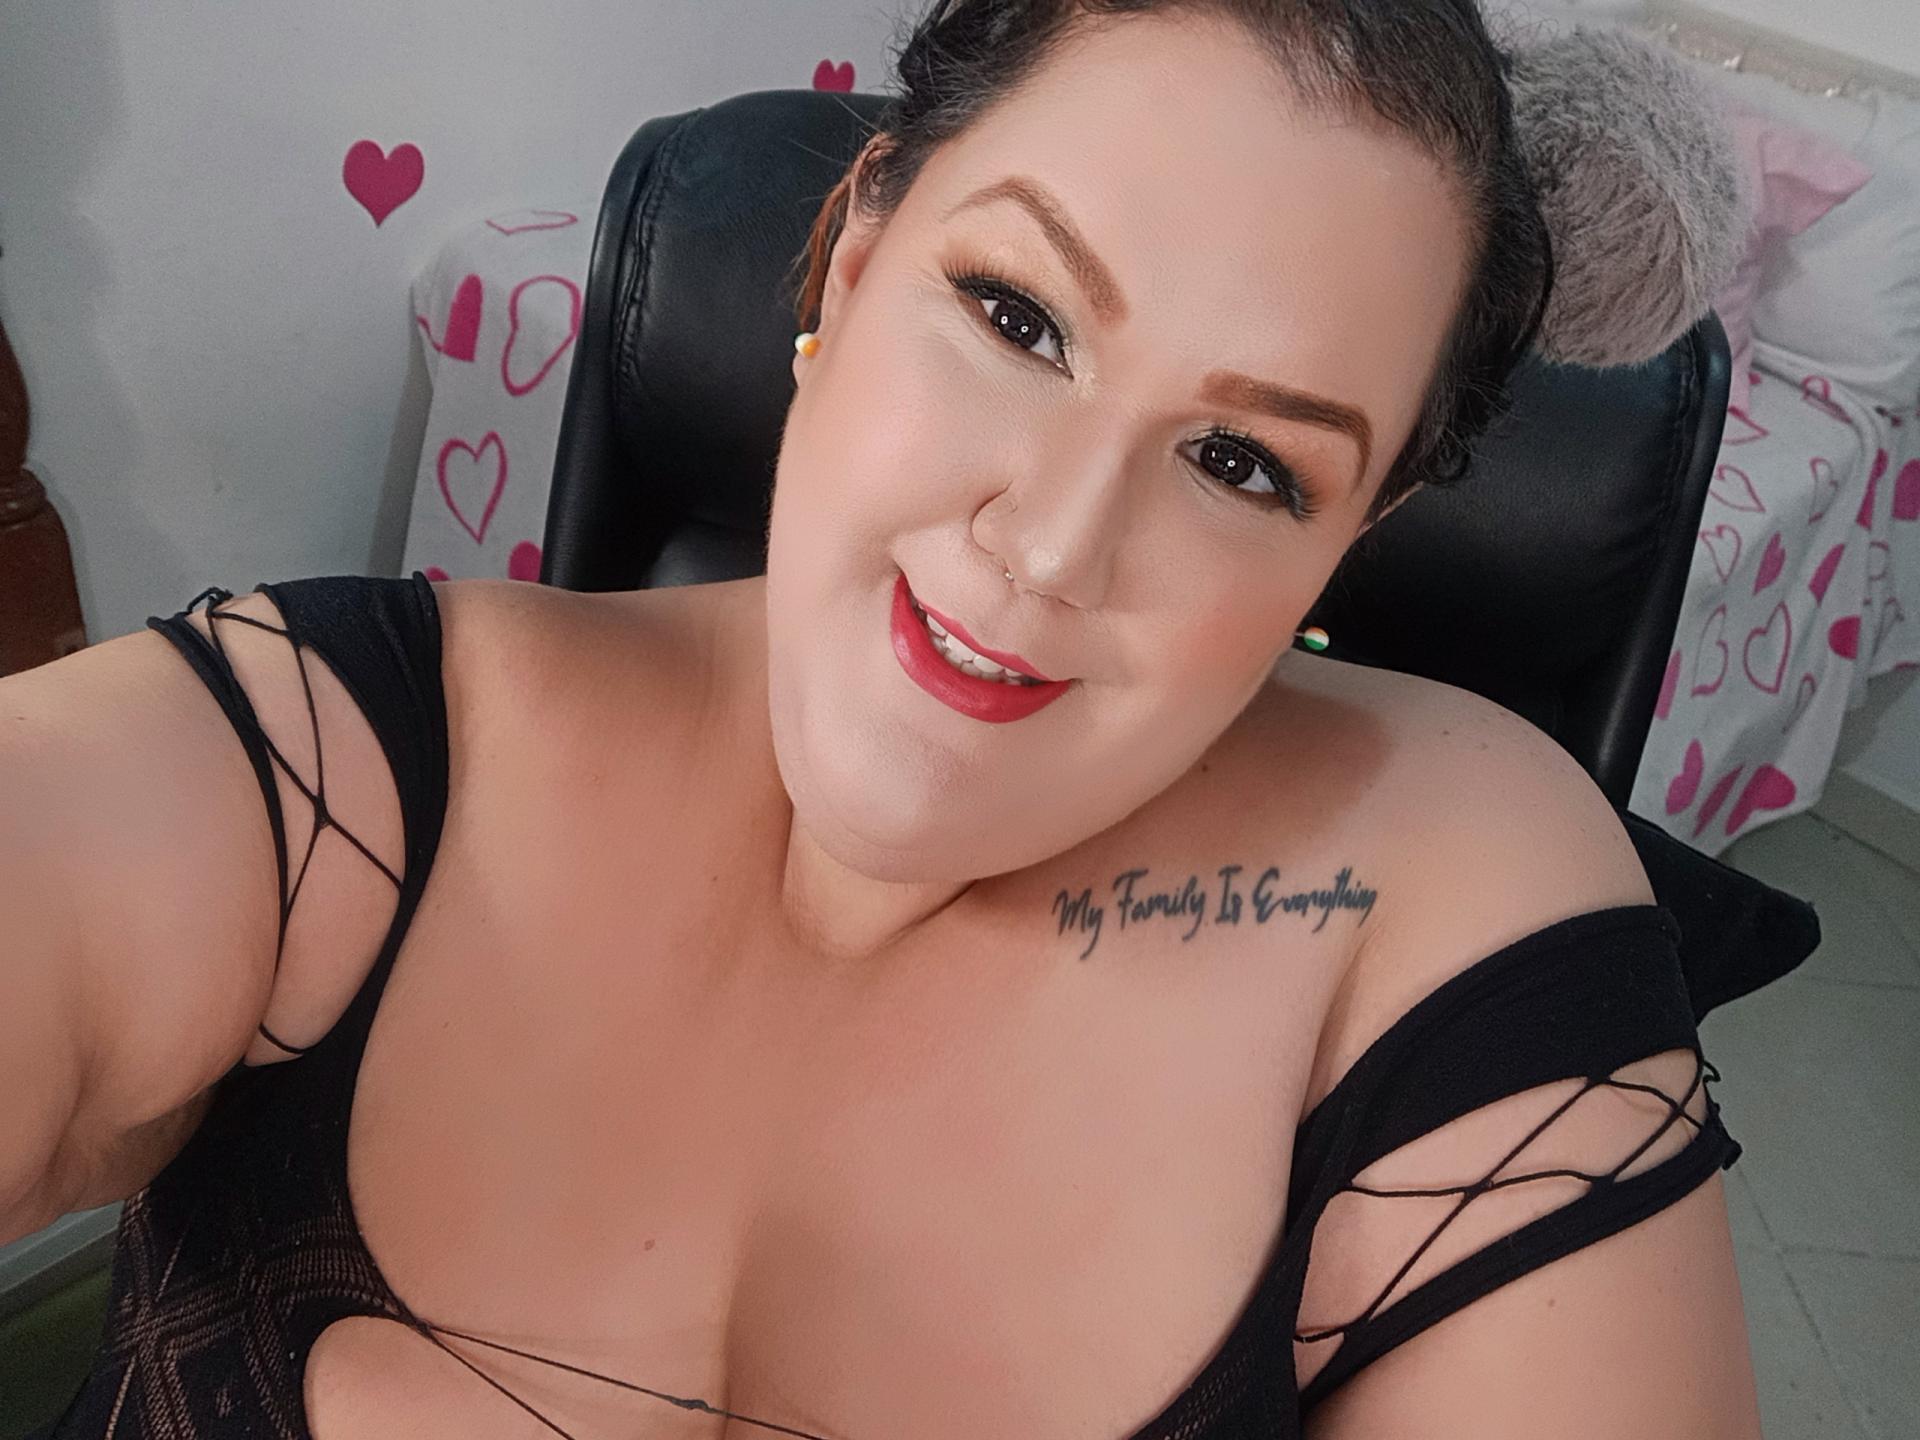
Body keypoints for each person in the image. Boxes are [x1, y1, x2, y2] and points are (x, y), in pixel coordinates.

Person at [0, 1, 1764, 1436]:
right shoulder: (323, 758)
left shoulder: (1451, 892)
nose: (1052, 548)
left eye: (1243, 463)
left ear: (1353, 532)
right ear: (851, 259)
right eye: (1017, 316)